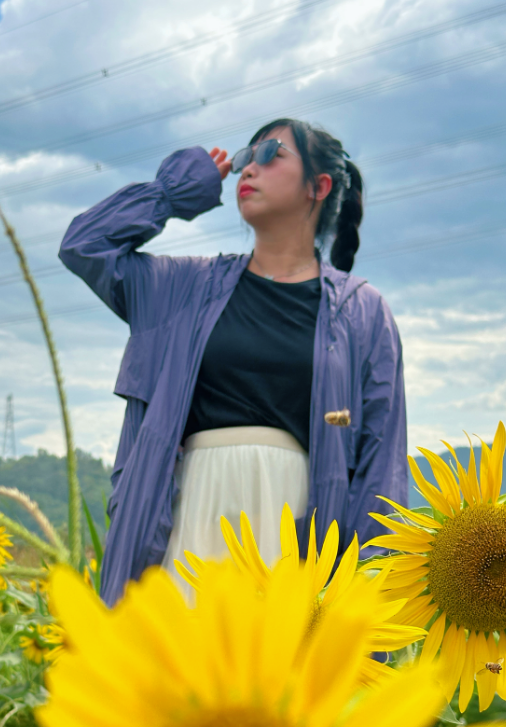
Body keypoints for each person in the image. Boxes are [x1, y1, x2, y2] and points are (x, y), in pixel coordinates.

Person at [59, 117, 408, 606]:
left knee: (282, 679)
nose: (248, 169)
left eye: (270, 155)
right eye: (244, 159)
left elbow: (381, 471)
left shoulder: (362, 312)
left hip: (297, 534)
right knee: (171, 675)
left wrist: (366, 601)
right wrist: (175, 191)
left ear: (319, 186)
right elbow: (85, 246)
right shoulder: (183, 289)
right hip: (185, 520)